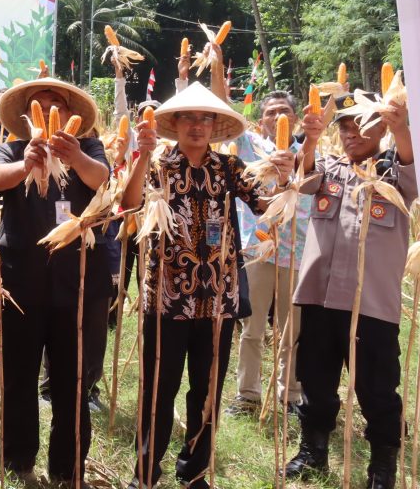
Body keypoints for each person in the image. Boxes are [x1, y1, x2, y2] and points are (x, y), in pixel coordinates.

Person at [120, 82, 293, 489]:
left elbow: (266, 207)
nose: (197, 126)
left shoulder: (229, 168)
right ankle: (145, 473)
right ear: (175, 123)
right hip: (166, 299)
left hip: (218, 300)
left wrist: (285, 179)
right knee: (158, 390)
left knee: (207, 391)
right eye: (188, 118)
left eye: (205, 119)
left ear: (214, 126)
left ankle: (194, 472)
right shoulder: (158, 164)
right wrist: (141, 155)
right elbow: (129, 205)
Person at [284, 91, 414, 489]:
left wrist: (402, 128)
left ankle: (382, 466)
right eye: (344, 128)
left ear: (380, 126)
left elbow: (414, 172)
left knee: (377, 388)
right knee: (316, 378)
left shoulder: (394, 173)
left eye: (360, 125)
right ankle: (313, 452)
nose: (351, 134)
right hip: (320, 298)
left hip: (371, 303)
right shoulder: (329, 168)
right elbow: (302, 180)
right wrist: (309, 138)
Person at [0, 77, 109, 487]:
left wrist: (75, 157)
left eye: (57, 104)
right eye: (39, 105)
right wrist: (27, 164)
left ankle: (67, 468)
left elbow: (102, 179)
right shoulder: (13, 149)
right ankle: (18, 460)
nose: (49, 110)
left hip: (76, 283)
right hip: (21, 282)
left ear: (71, 114)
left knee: (72, 380)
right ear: (27, 116)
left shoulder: (88, 147)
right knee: (19, 375)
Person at [229, 91, 310, 416]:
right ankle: (248, 395)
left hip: (297, 251)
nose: (278, 117)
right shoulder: (250, 147)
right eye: (271, 112)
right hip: (258, 249)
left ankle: (290, 394)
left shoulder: (309, 153)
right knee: (253, 328)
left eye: (285, 111)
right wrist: (217, 68)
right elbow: (224, 107)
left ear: (296, 118)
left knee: (293, 331)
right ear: (261, 120)